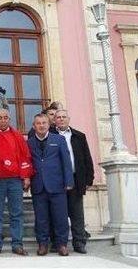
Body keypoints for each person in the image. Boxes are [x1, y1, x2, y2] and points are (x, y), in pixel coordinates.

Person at [0, 109, 33, 256]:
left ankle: (17, 244)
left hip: (15, 180)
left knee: (16, 213)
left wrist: (26, 176)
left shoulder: (17, 136)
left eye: (5, 117)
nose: (3, 120)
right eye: (0, 118)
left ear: (9, 119)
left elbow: (25, 157)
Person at [28, 113, 73, 256]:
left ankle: (62, 244)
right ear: (34, 126)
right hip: (38, 186)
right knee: (41, 218)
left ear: (49, 125)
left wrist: (69, 181)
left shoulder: (58, 140)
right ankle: (42, 244)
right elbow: (27, 163)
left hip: (57, 185)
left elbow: (66, 162)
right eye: (38, 123)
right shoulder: (29, 143)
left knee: (60, 217)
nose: (41, 125)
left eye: (44, 123)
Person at [55, 109, 94, 254]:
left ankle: (79, 242)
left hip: (76, 179)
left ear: (68, 119)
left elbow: (87, 158)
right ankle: (59, 242)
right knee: (59, 213)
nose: (61, 119)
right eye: (58, 117)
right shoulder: (50, 135)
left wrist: (89, 178)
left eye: (64, 117)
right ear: (55, 120)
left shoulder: (79, 136)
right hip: (57, 180)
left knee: (77, 213)